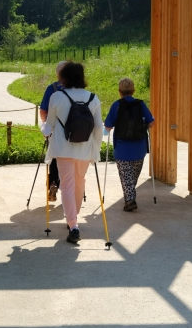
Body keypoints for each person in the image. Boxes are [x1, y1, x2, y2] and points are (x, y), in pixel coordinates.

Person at [41, 62, 103, 243]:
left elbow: (49, 126)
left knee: (66, 185)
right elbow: (98, 128)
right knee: (80, 181)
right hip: (85, 148)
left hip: (63, 148)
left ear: (64, 78)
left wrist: (43, 130)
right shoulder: (93, 98)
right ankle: (73, 218)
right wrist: (95, 149)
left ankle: (73, 225)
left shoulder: (57, 96)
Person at [104, 77, 154, 212]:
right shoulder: (141, 104)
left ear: (119, 91)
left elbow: (108, 125)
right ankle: (129, 197)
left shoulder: (117, 105)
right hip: (139, 148)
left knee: (126, 177)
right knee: (133, 176)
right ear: (133, 90)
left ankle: (130, 199)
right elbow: (151, 123)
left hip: (122, 148)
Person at [40, 60, 67, 202]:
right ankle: (70, 189)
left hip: (55, 131)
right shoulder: (77, 89)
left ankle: (53, 183)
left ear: (57, 74)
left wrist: (47, 128)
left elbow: (43, 112)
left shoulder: (52, 89)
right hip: (73, 133)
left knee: (55, 158)